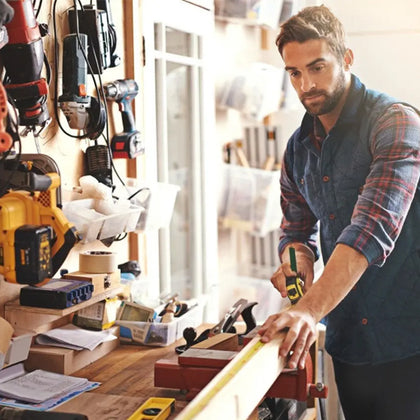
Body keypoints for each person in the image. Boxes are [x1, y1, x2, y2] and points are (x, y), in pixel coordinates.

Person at [257, 5, 420, 420]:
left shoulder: (395, 123)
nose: (306, 85)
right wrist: (295, 261)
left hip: (409, 340)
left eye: (317, 67)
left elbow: (372, 227)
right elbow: (296, 229)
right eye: (294, 73)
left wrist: (309, 309)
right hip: (348, 343)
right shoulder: (298, 148)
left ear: (346, 58)